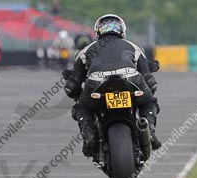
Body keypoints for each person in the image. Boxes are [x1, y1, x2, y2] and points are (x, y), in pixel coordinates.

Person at [63, 13, 161, 157]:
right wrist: (149, 89)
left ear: (97, 32)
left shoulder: (85, 51)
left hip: (96, 83)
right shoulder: (133, 47)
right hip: (131, 80)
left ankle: (89, 132)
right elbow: (149, 80)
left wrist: (77, 94)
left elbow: (71, 87)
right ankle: (149, 128)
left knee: (82, 108)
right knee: (150, 102)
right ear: (122, 30)